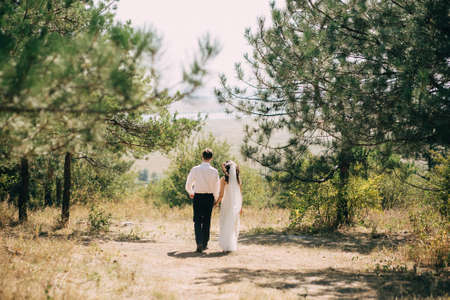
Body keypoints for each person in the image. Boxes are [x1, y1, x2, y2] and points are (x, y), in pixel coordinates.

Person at [185, 148, 220, 253]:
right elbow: (216, 187)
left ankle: (199, 242)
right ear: (211, 158)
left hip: (198, 197)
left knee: (197, 220)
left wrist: (191, 192)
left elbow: (188, 183)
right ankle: (204, 243)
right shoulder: (214, 171)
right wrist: (215, 198)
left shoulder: (195, 169)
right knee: (207, 221)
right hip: (209, 197)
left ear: (202, 157)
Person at [215, 160, 242, 253]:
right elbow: (240, 194)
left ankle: (226, 245)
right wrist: (240, 207)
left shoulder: (224, 180)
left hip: (226, 202)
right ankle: (231, 244)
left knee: (224, 222)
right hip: (234, 204)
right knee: (232, 224)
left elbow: (221, 194)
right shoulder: (238, 180)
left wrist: (216, 203)